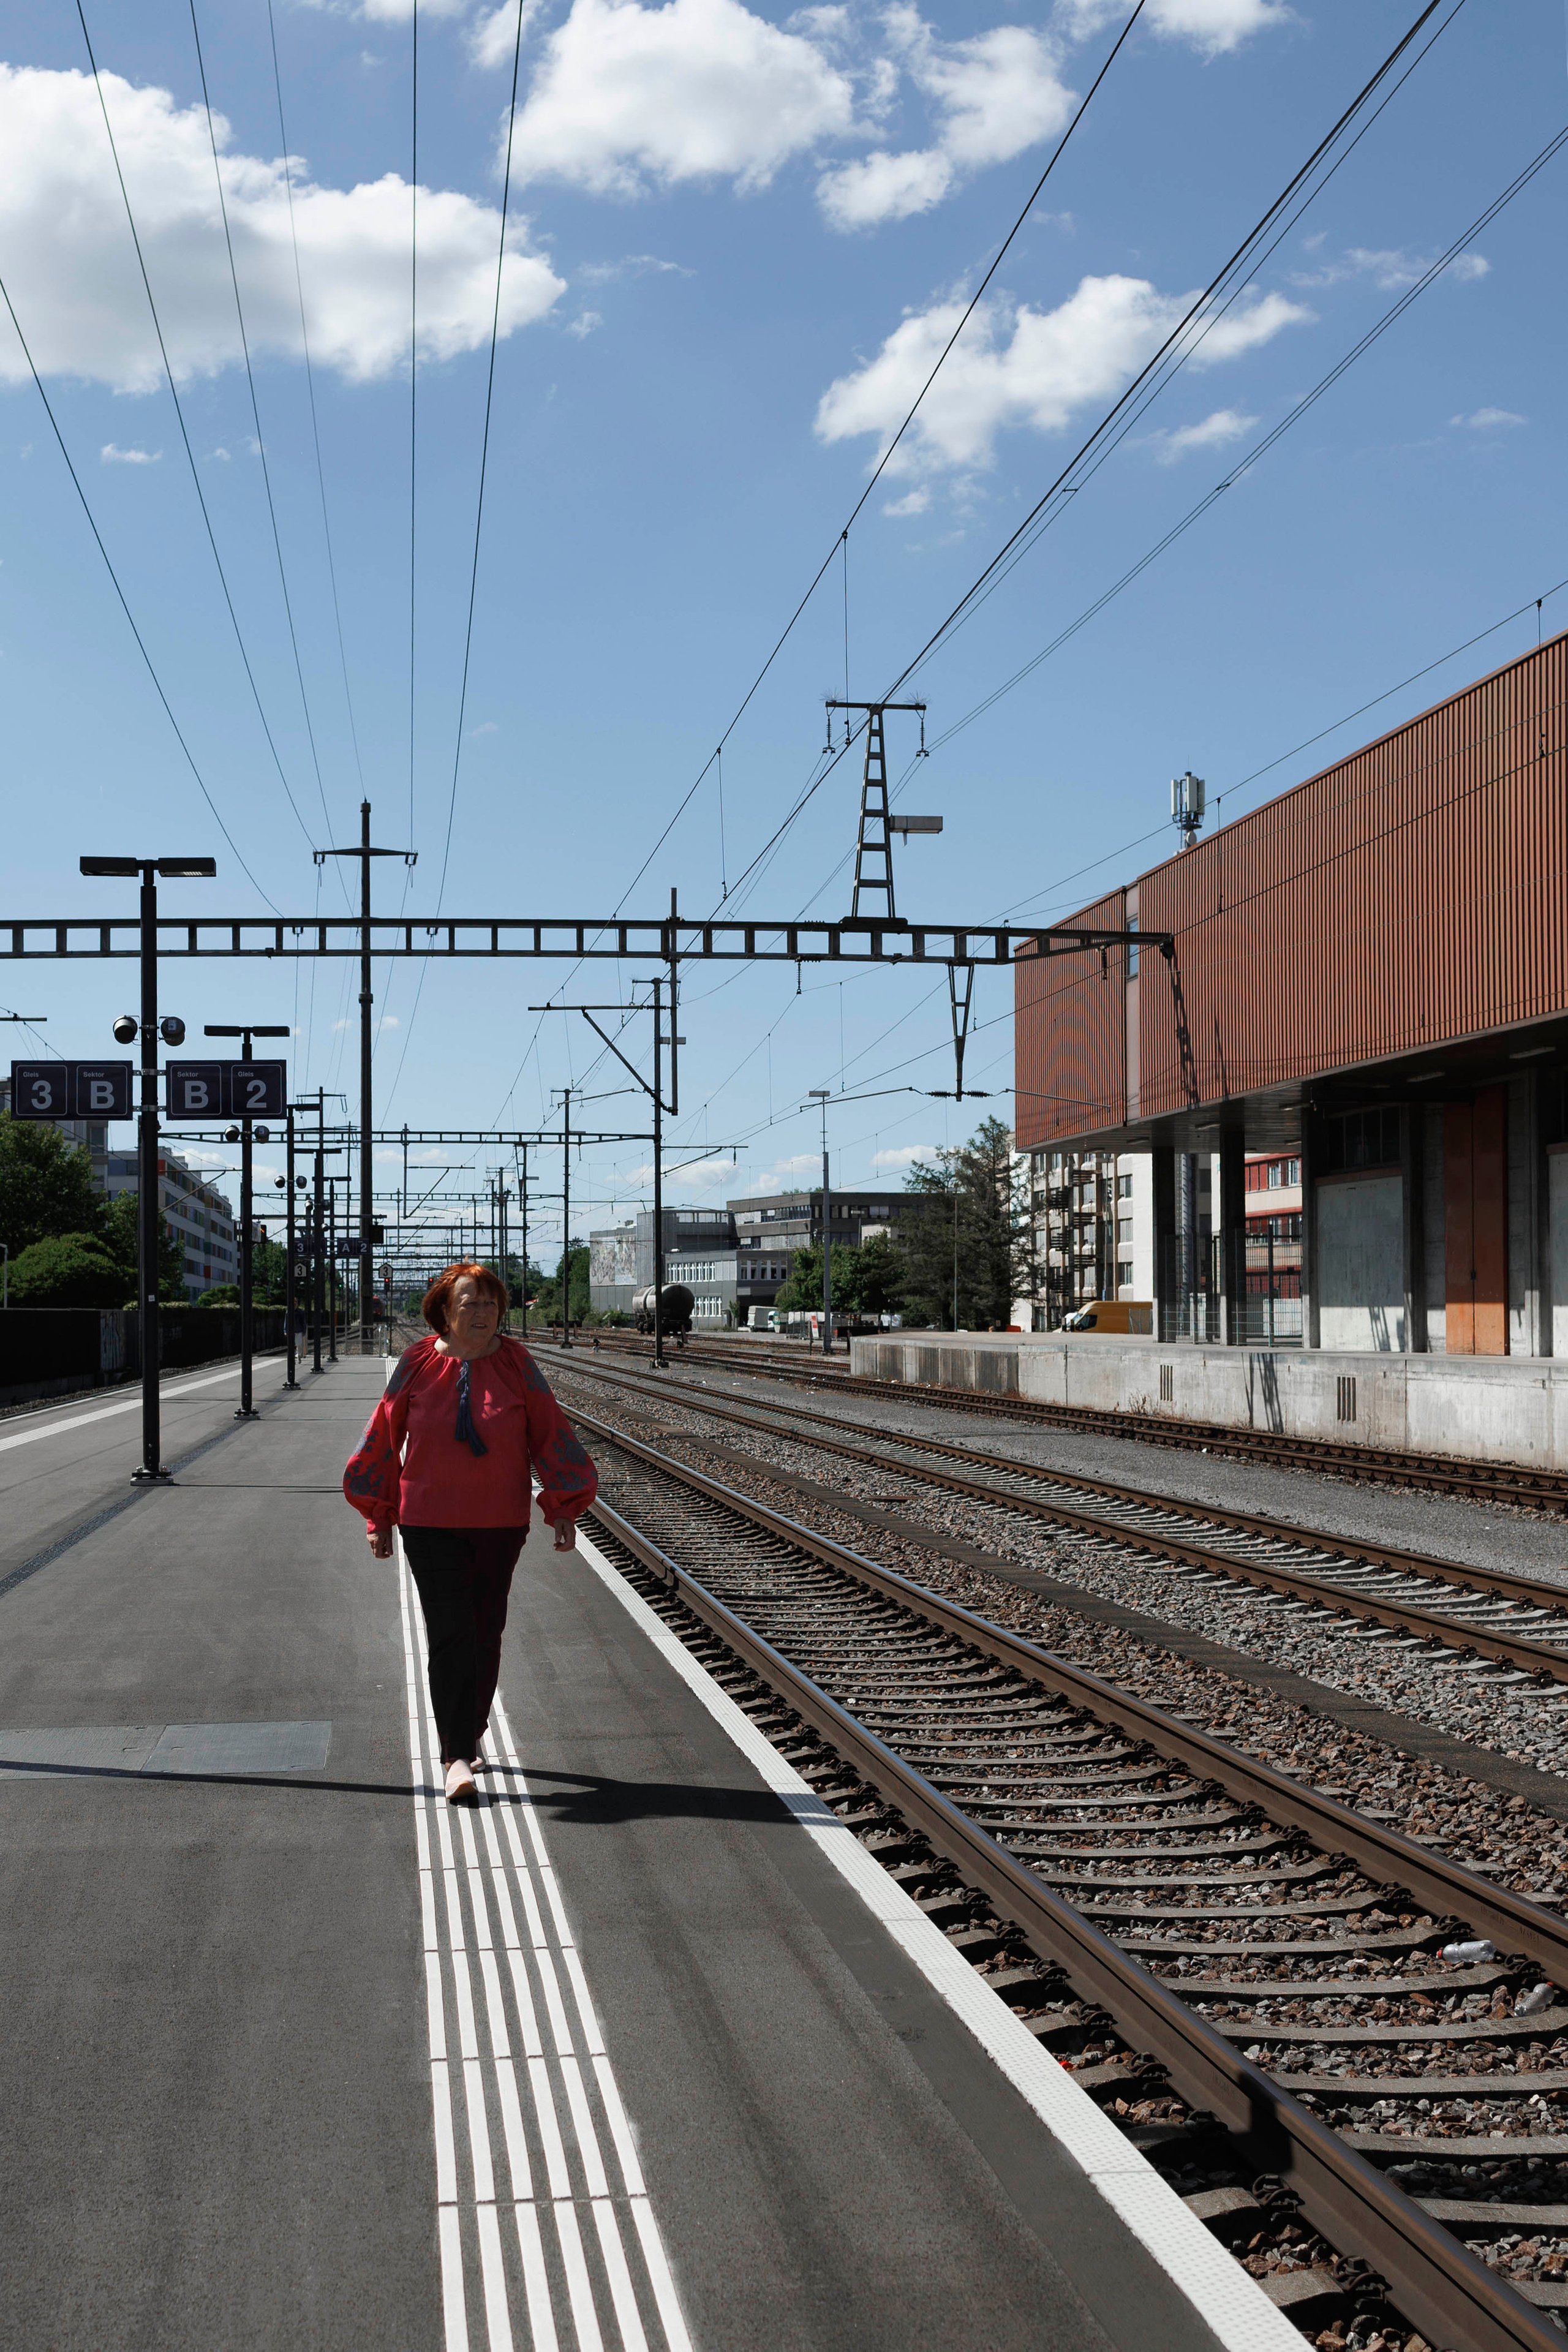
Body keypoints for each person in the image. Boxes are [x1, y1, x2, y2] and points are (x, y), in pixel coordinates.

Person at [343, 1261, 597, 1806]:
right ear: (444, 1310)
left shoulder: (518, 1364)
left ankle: (469, 1729)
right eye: (470, 1302)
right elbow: (383, 1435)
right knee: (451, 1633)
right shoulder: (415, 1364)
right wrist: (378, 1515)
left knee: (486, 1632)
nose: (482, 1312)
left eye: (490, 1303)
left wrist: (563, 1505)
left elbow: (549, 1431)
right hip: (428, 1522)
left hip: (500, 1522)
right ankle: (456, 1754)